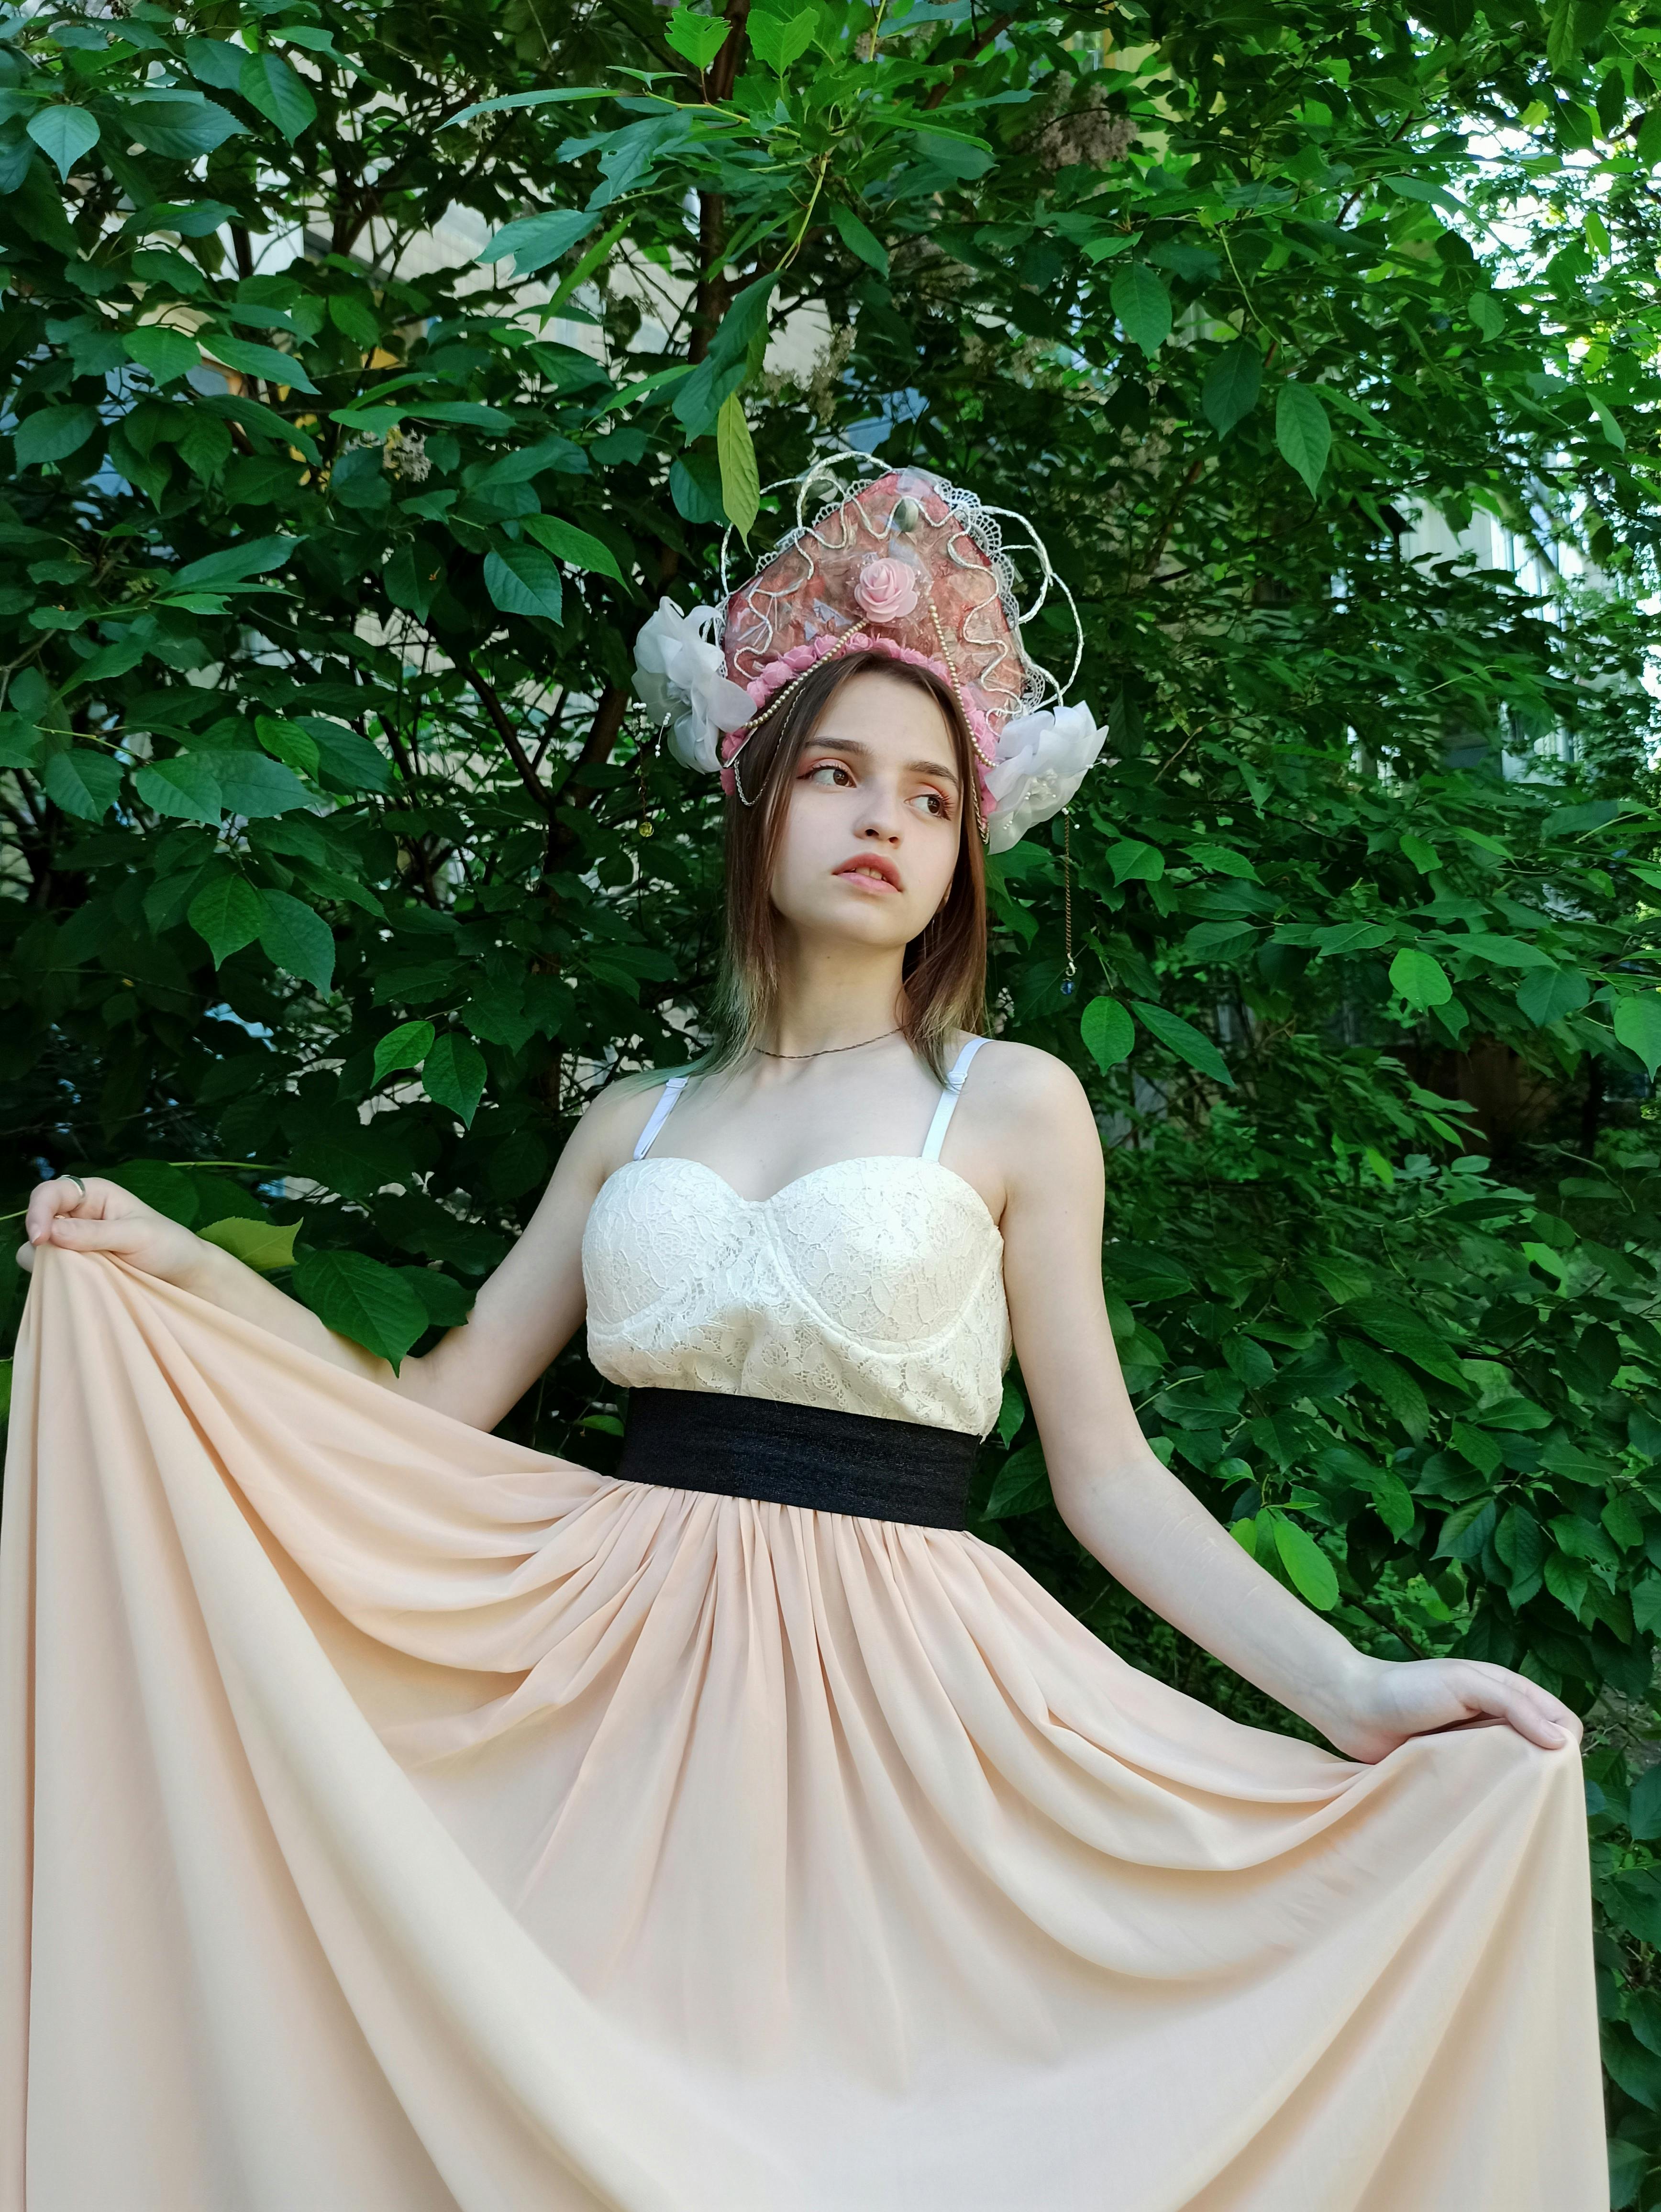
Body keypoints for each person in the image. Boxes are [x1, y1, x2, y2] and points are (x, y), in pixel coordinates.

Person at [3, 462, 1604, 2211]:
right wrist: (173, 1276)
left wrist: (1356, 1695)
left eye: (930, 797)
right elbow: (431, 1409)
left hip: (909, 1721)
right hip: (599, 1702)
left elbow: (1107, 1476)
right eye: (837, 773)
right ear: (758, 804)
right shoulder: (632, 1117)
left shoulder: (1013, 1107)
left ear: (964, 852)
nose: (883, 822)